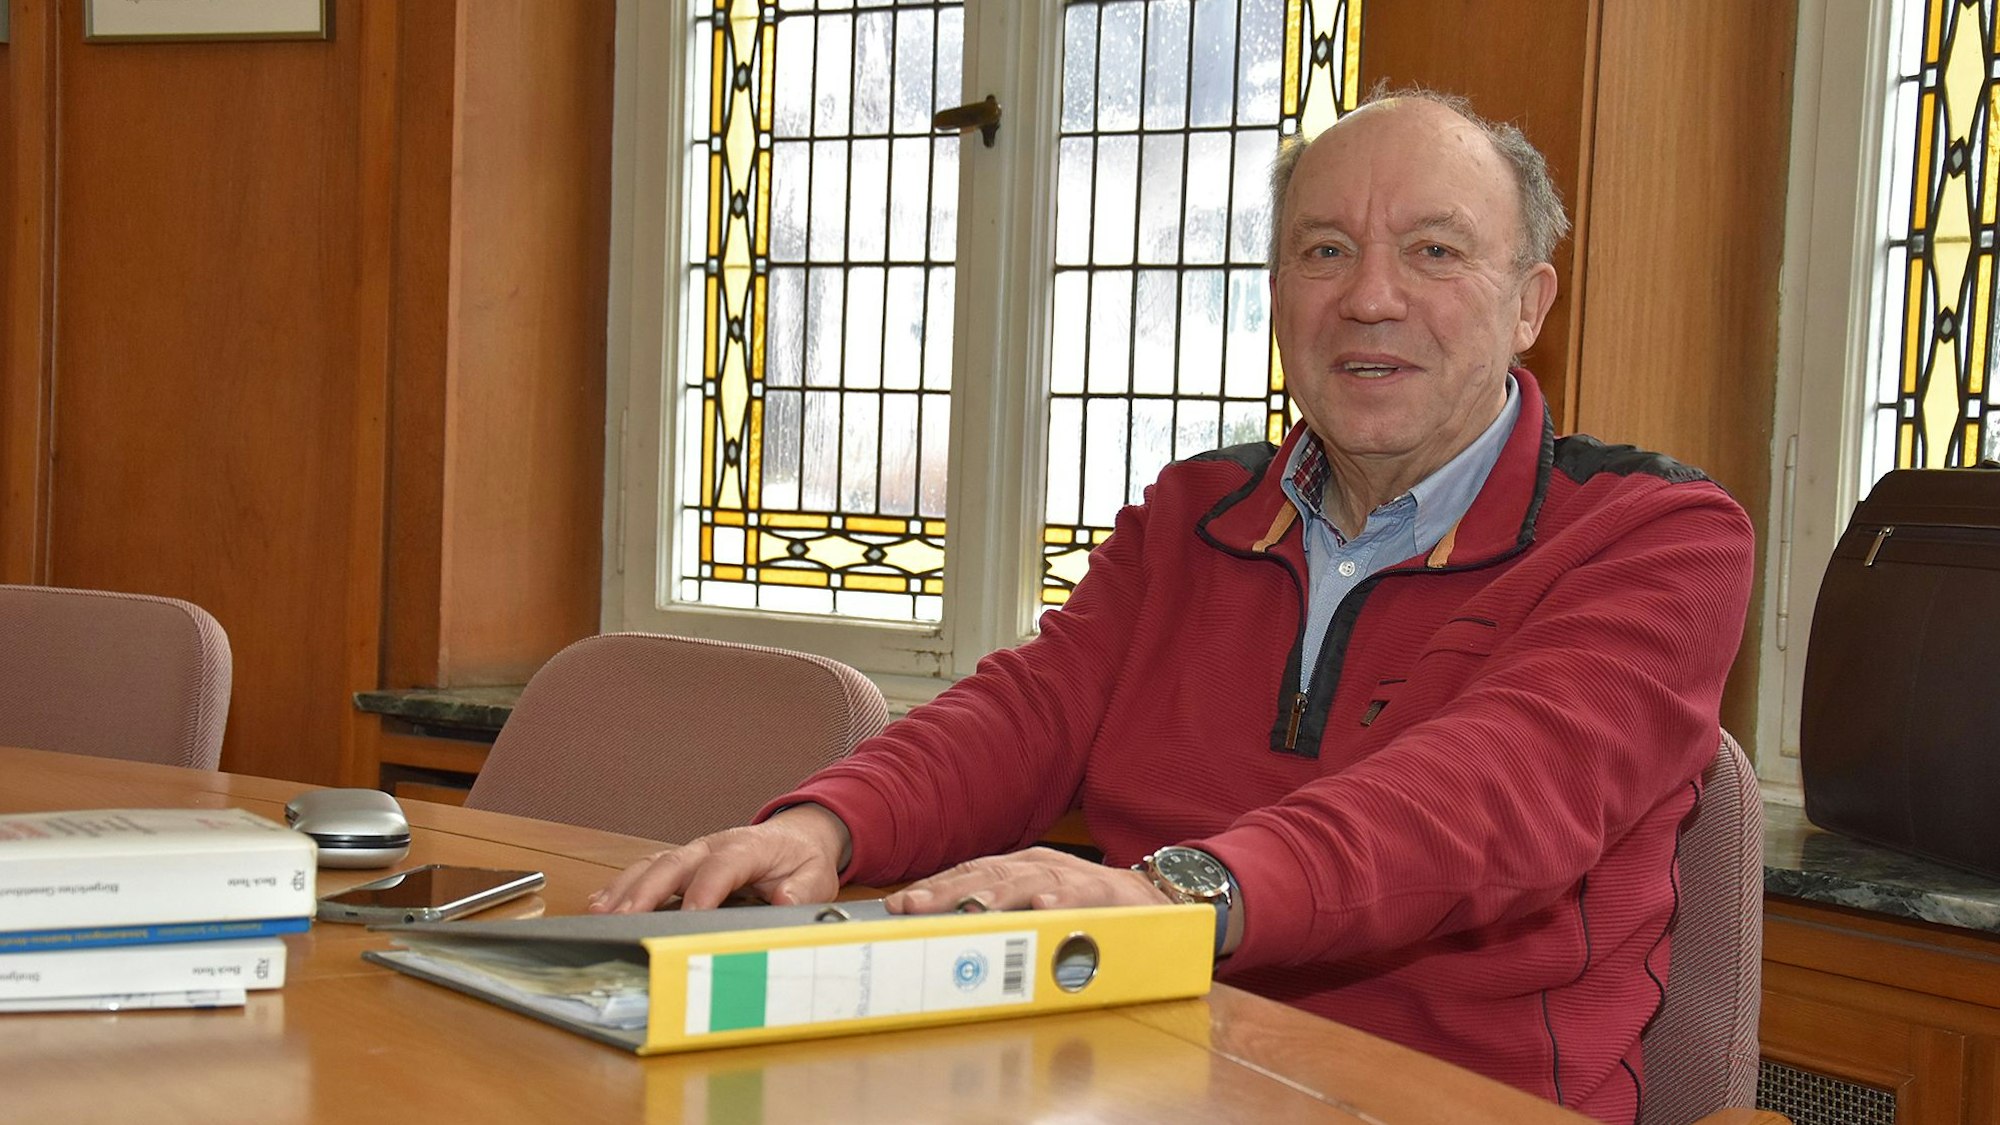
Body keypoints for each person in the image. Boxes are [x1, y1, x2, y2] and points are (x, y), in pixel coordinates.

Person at [593, 89, 1754, 1125]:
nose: (1369, 297)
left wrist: (1165, 893)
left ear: (1525, 305)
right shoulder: (1195, 510)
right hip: (1126, 1079)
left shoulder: (1655, 538)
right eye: (1324, 250)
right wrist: (818, 831)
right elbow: (1029, 713)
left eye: (1434, 251)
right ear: (1276, 294)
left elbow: (1484, 797)